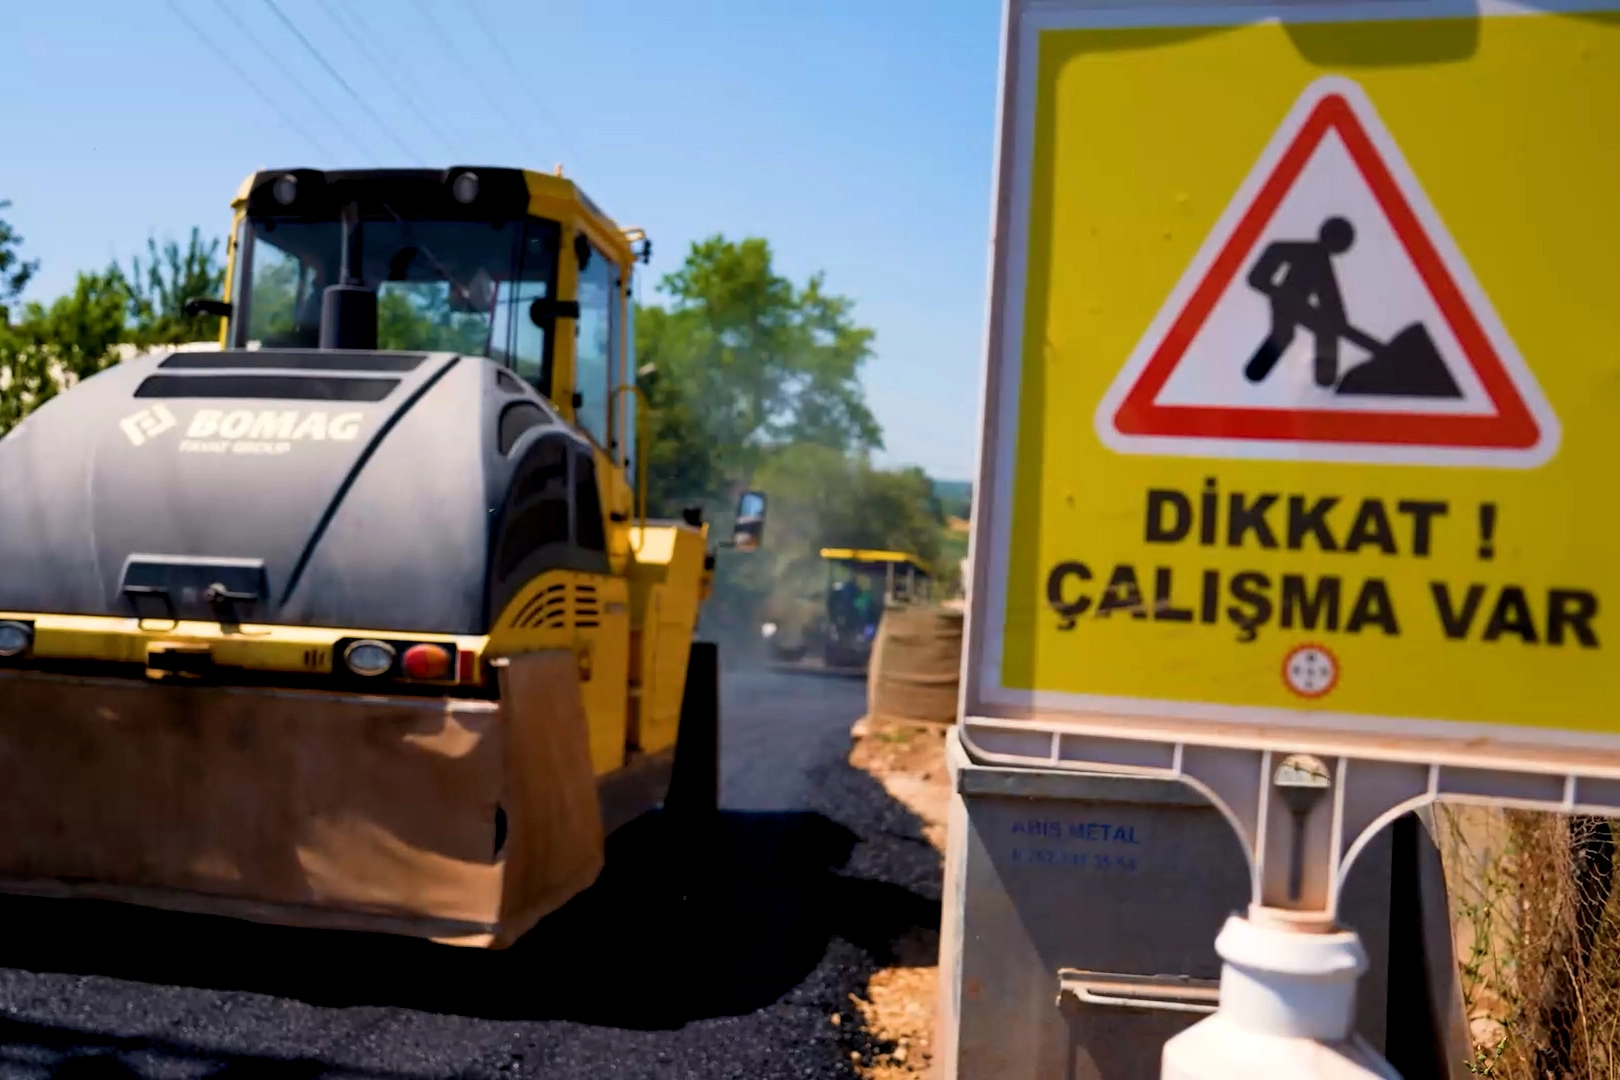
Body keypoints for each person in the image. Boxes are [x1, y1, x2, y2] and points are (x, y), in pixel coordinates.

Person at [1243, 216, 1356, 389]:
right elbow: (1261, 270)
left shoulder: (1323, 263)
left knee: (1319, 331)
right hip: (1283, 301)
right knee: (1285, 334)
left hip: (1293, 304)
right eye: (1341, 240)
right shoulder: (1303, 250)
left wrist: (1339, 321)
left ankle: (1324, 381)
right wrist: (1274, 290)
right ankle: (1254, 373)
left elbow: (1329, 297)